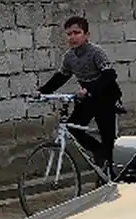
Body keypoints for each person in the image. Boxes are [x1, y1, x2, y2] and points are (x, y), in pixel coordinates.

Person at [39, 15, 120, 174]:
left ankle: (111, 175)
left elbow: (110, 75)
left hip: (106, 97)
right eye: (69, 34)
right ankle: (98, 151)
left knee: (107, 137)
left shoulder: (96, 52)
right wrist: (41, 92)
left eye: (77, 33)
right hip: (87, 98)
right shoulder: (69, 57)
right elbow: (61, 77)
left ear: (86, 35)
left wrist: (90, 89)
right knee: (72, 127)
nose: (73, 37)